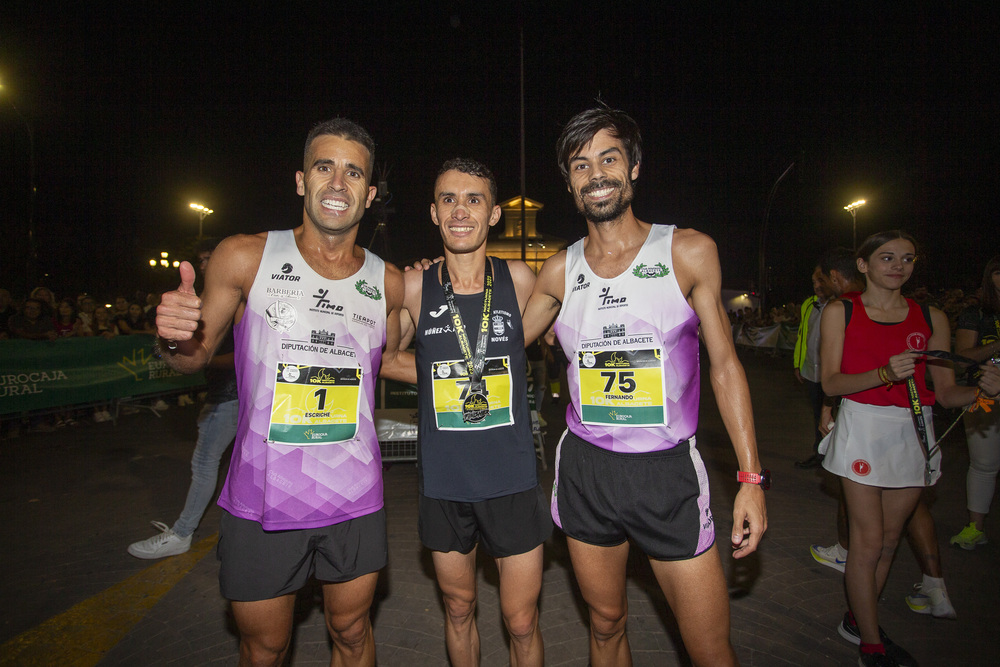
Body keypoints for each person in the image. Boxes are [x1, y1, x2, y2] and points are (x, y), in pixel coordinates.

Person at [154, 117, 411, 667]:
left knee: (352, 633)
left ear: (369, 195)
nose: (338, 183)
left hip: (355, 497)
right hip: (263, 497)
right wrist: (172, 338)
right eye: (325, 167)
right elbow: (193, 357)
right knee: (265, 648)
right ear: (301, 180)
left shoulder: (389, 282)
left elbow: (385, 359)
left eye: (353, 172)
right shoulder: (245, 256)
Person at [521, 105, 767, 667]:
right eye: (581, 166)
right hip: (585, 468)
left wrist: (751, 478)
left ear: (633, 167)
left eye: (609, 158)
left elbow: (726, 364)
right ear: (568, 183)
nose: (596, 174)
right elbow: (501, 345)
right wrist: (444, 280)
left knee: (707, 648)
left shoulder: (687, 251)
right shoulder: (559, 270)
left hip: (666, 473)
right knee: (606, 625)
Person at [818, 231, 1000, 666]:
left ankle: (858, 620)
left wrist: (982, 389)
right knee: (867, 541)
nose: (898, 266)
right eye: (886, 257)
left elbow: (945, 393)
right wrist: (883, 373)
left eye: (907, 259)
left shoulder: (930, 316)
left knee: (890, 539)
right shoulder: (841, 311)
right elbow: (831, 384)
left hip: (913, 432)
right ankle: (871, 644)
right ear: (863, 265)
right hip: (861, 426)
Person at [398, 158, 550, 667]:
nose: (460, 210)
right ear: (434, 214)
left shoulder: (522, 279)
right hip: (444, 482)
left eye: (473, 199)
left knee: (522, 620)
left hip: (511, 478)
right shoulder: (414, 288)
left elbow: (549, 339)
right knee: (459, 609)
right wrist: (443, 372)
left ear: (493, 215)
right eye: (448, 199)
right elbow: (378, 356)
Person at [128, 241, 240, 559]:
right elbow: (185, 353)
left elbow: (244, 354)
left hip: (232, 395)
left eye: (211, 258)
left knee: (205, 464)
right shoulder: (203, 300)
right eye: (201, 259)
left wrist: (202, 359)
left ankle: (182, 532)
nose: (205, 264)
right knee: (245, 465)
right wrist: (174, 341)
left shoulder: (234, 297)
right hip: (229, 393)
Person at [949, 255, 1000, 549]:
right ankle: (975, 527)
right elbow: (962, 359)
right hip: (981, 396)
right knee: (984, 463)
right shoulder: (976, 314)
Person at [794, 265, 834, 468]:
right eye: (814, 282)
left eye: (821, 280)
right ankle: (819, 453)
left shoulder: (840, 306)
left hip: (833, 375)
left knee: (832, 417)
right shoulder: (809, 305)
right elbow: (803, 336)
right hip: (811, 370)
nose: (817, 286)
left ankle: (833, 456)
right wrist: (797, 364)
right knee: (818, 415)